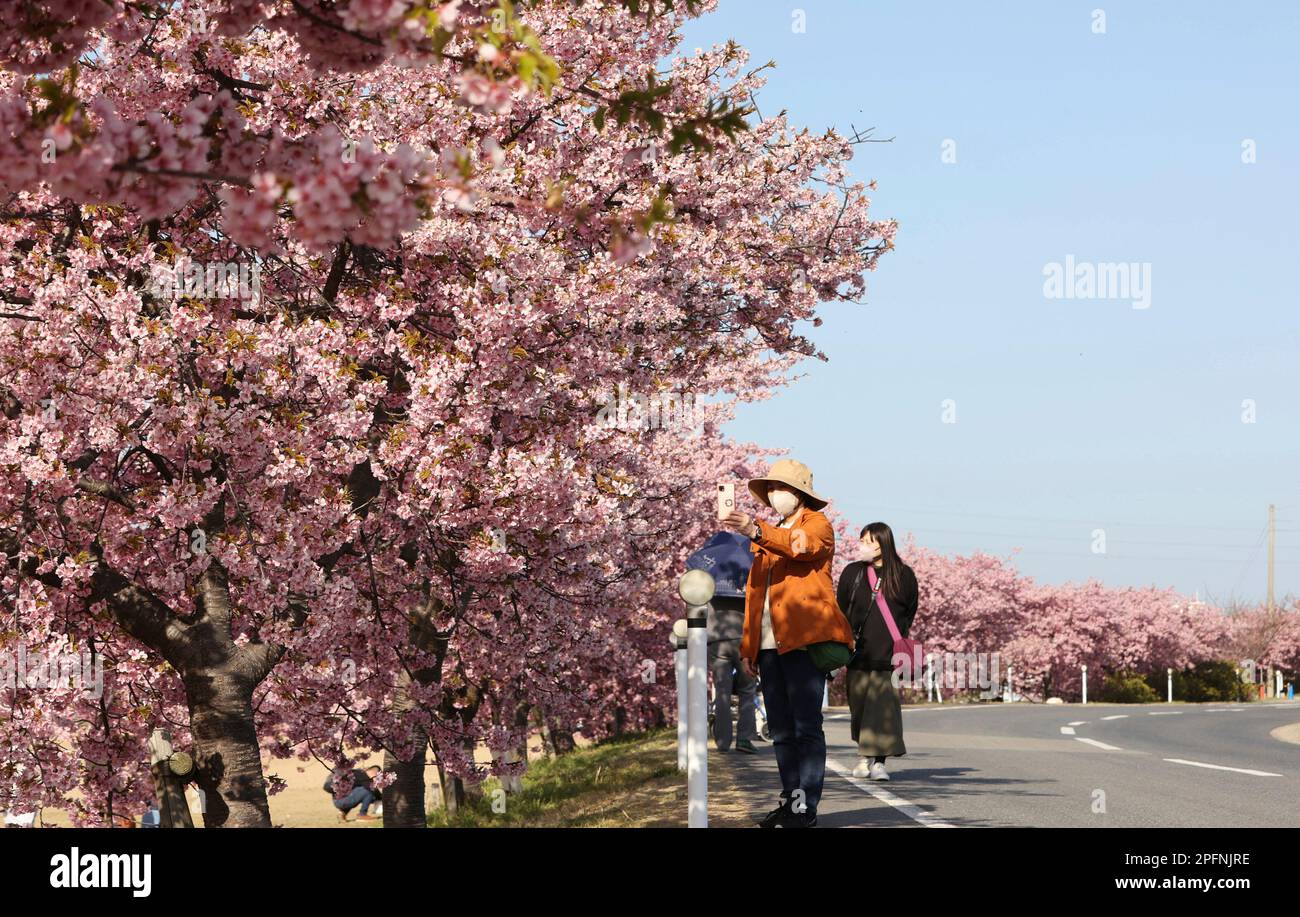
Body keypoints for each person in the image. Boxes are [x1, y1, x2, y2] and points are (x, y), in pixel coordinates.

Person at [723, 458, 854, 828]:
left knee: (806, 727)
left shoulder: (817, 525)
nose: (775, 495)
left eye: (780, 488)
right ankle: (792, 801)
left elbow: (800, 547)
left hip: (802, 640)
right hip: (768, 645)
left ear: (798, 494)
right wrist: (748, 648)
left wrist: (756, 530)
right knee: (780, 729)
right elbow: (754, 594)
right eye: (772, 490)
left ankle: (805, 808)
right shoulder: (771, 530)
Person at [836, 522, 918, 781]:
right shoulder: (853, 573)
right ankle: (863, 754)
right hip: (858, 652)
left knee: (883, 709)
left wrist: (897, 637)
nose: (865, 546)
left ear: (884, 543)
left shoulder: (904, 575)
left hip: (888, 653)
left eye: (870, 541)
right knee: (859, 707)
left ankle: (878, 762)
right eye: (862, 540)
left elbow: (910, 611)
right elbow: (840, 608)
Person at [686, 531, 759, 754]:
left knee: (722, 691)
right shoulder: (751, 572)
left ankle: (723, 741)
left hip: (717, 639)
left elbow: (694, 605)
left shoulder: (710, 575)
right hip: (745, 640)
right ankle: (745, 739)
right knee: (748, 690)